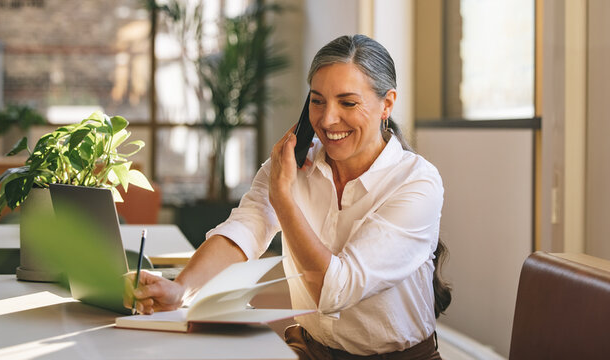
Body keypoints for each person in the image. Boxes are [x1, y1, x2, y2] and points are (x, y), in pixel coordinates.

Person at [126, 34, 451, 359]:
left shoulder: (417, 183)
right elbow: (244, 228)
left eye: (347, 103)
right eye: (317, 100)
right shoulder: (292, 165)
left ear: (387, 104)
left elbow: (335, 291)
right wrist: (181, 289)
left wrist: (284, 199)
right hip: (311, 349)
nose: (327, 119)